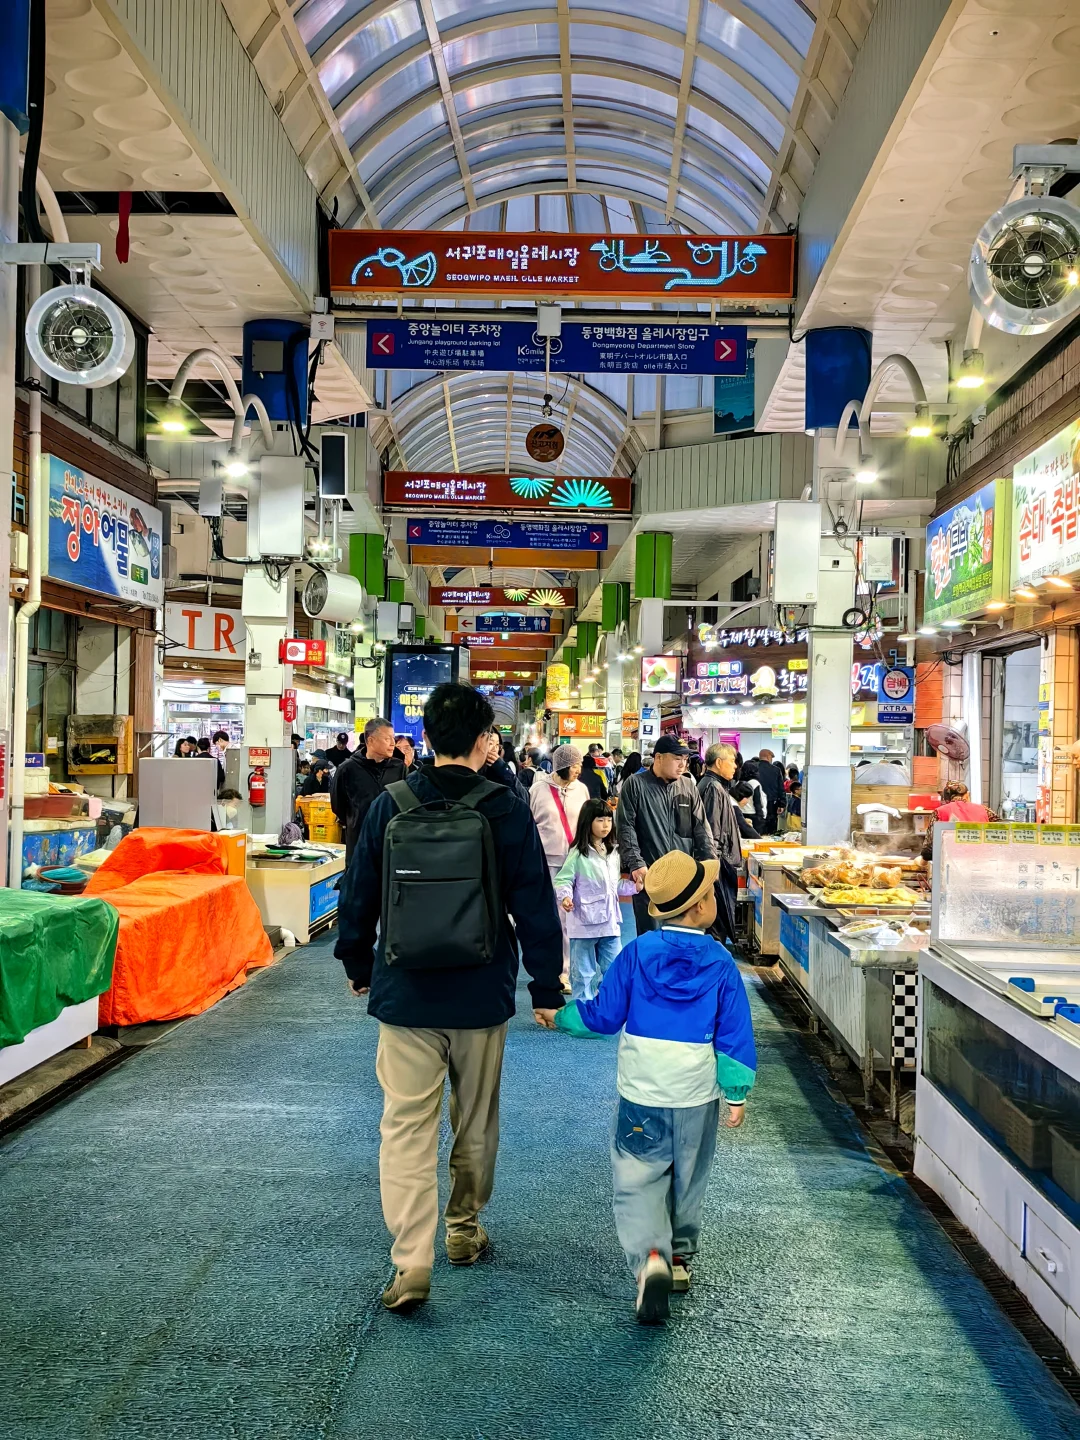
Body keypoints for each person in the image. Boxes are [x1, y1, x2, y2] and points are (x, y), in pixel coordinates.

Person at [335, 682, 564, 1314]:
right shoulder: (505, 807)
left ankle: (411, 1261)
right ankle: (463, 1230)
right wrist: (546, 987)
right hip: (480, 994)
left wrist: (357, 961)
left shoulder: (390, 805)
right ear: (485, 741)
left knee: (405, 1127)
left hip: (405, 993)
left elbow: (358, 892)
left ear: (426, 738)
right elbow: (535, 904)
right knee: (476, 1118)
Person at [555, 849, 756, 1323]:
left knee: (638, 1176)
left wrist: (564, 1016)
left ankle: (651, 1257)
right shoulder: (720, 962)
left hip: (642, 1090)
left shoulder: (637, 952)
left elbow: (604, 1015)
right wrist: (736, 1092)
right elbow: (734, 1033)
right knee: (690, 1174)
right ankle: (679, 1257)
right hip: (696, 1093)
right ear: (701, 907)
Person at [616, 735, 716, 936]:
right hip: (650, 876)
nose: (683, 764)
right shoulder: (635, 785)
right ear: (659, 758)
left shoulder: (688, 785)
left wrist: (710, 860)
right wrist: (636, 863)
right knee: (651, 936)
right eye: (677, 758)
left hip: (684, 877)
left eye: (685, 759)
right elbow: (626, 827)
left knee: (683, 936)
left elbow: (701, 827)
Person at [554, 799, 625, 1002]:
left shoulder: (613, 853)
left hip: (610, 922)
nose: (606, 825)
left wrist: (634, 887)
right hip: (584, 922)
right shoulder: (578, 853)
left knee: (615, 968)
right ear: (588, 822)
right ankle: (582, 1009)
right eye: (600, 820)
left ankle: (607, 1006)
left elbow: (616, 885)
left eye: (609, 820)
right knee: (582, 973)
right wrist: (565, 897)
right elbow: (563, 879)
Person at [529, 743, 590, 975]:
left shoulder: (582, 790)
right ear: (562, 766)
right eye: (575, 765)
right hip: (547, 862)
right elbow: (530, 825)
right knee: (553, 916)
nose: (578, 770)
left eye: (580, 765)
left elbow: (587, 823)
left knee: (574, 915)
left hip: (576, 862)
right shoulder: (538, 789)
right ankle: (556, 968)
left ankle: (570, 968)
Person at [698, 743, 757, 944]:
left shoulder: (714, 785)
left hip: (719, 863)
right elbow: (712, 830)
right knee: (716, 923)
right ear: (718, 762)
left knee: (717, 922)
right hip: (718, 865)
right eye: (732, 761)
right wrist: (713, 864)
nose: (735, 766)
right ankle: (714, 960)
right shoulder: (713, 788)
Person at [330, 717, 406, 862]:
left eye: (393, 738)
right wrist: (356, 819)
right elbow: (338, 805)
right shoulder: (347, 769)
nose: (392, 743)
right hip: (358, 843)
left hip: (391, 843)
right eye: (387, 739)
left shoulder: (399, 768)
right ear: (370, 741)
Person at [741, 749, 785, 834]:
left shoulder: (753, 768)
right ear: (768, 757)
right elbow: (781, 788)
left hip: (754, 804)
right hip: (771, 804)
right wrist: (782, 804)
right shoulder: (776, 770)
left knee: (756, 829)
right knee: (771, 829)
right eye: (771, 757)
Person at [482, 730, 528, 801]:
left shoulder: (501, 769)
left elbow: (522, 796)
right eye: (490, 743)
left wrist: (502, 768)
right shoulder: (474, 769)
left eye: (497, 745)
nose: (494, 749)